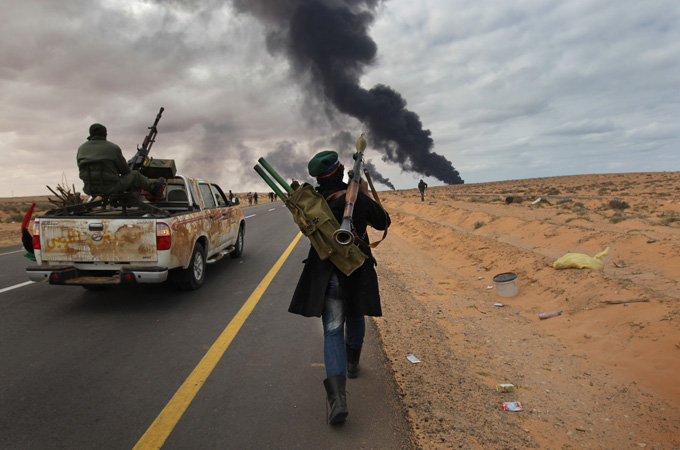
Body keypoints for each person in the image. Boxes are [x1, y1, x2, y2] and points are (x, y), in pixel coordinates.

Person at [289, 150, 390, 425]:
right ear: (340, 169)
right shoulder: (355, 198)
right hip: (356, 272)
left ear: (319, 177)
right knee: (355, 315)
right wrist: (364, 193)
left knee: (333, 331)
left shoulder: (312, 202)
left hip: (327, 276)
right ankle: (353, 364)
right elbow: (383, 222)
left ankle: (337, 400)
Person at [77, 123, 165, 198]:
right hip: (111, 188)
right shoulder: (112, 148)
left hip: (89, 188)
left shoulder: (81, 149)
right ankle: (153, 188)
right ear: (105, 134)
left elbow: (80, 167)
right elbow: (125, 171)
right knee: (135, 174)